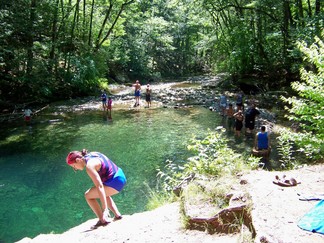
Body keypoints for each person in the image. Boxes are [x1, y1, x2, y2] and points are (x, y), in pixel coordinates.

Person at [66, 149, 126, 229]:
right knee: (101, 193)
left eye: (74, 166)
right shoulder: (92, 154)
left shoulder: (89, 166)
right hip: (120, 175)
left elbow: (99, 186)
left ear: (78, 160)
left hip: (116, 182)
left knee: (88, 195)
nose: (75, 169)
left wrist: (105, 209)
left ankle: (103, 220)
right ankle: (117, 215)